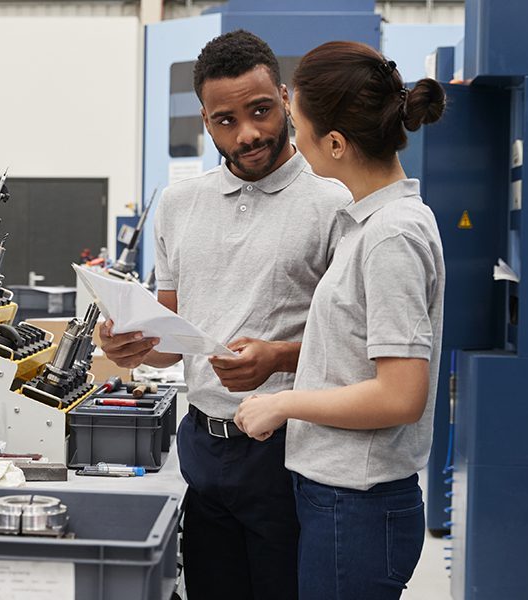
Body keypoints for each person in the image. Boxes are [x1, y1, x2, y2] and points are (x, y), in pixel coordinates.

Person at [98, 31, 351, 600]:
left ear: (285, 99)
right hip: (204, 447)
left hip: (293, 452)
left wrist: (280, 357)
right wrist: (131, 343)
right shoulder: (180, 204)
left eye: (260, 110)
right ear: (206, 122)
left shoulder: (334, 200)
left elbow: (358, 342)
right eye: (225, 120)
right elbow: (171, 332)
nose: (249, 133)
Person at [233, 41, 447, 599]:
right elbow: (353, 352)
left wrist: (282, 403)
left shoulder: (391, 237)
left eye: (299, 128)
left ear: (334, 142)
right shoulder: (368, 225)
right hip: (340, 496)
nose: (295, 142)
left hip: (358, 503)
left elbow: (401, 395)